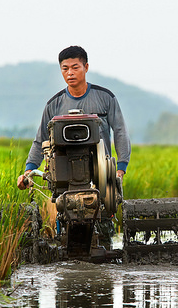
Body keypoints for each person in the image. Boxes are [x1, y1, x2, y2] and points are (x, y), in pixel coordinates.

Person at [17, 46, 131, 244]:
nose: (70, 73)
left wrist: (120, 168)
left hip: (100, 174)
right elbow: (40, 139)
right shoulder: (54, 105)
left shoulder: (105, 98)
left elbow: (120, 131)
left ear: (86, 67)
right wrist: (29, 170)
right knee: (64, 219)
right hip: (64, 176)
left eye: (75, 67)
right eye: (65, 68)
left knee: (104, 230)